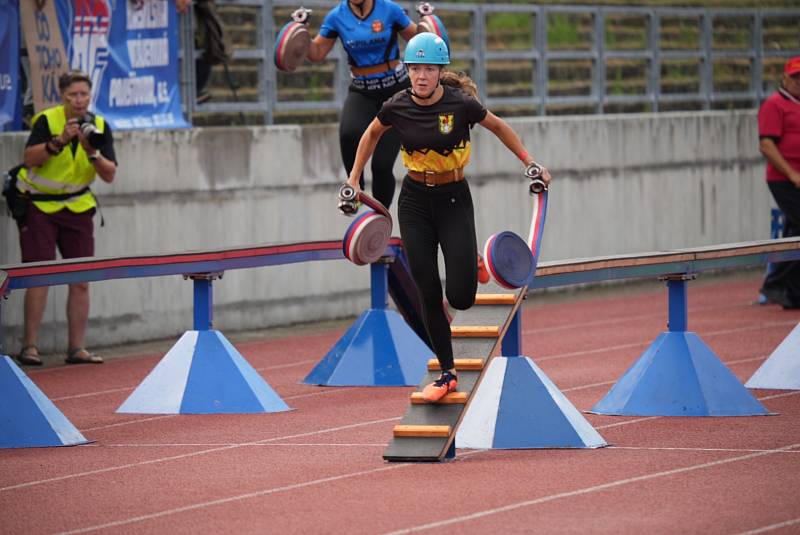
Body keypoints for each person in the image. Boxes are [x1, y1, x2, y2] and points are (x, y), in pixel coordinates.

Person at [345, 33, 552, 401]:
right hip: (414, 201)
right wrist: (353, 178)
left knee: (462, 296)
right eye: (414, 69)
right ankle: (447, 372)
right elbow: (370, 135)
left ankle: (470, 261)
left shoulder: (461, 104)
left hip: (454, 198)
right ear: (406, 70)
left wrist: (530, 161)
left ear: (440, 72)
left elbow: (499, 127)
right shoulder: (395, 105)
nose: (421, 76)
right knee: (427, 288)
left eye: (428, 69)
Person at [14, 70, 116, 366]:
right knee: (38, 276)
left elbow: (109, 174)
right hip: (40, 207)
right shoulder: (47, 120)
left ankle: (77, 348)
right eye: (73, 95)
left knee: (81, 279)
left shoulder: (98, 126)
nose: (80, 100)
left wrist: (92, 152)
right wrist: (58, 141)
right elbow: (30, 159)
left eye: (84, 94)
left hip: (78, 207)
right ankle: (30, 346)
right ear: (62, 96)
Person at [306, 0, 418, 208]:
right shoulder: (336, 16)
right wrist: (299, 31)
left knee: (381, 165)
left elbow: (419, 38)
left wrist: (428, 22)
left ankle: (379, 215)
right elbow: (316, 53)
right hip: (362, 89)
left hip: (394, 90)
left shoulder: (390, 10)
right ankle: (354, 191)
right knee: (348, 134)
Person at [758, 56, 800, 309]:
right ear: (785, 78)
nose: (799, 82)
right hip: (785, 180)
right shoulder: (775, 104)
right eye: (795, 77)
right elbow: (766, 144)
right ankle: (775, 282)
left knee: (794, 230)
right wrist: (792, 174)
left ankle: (791, 293)